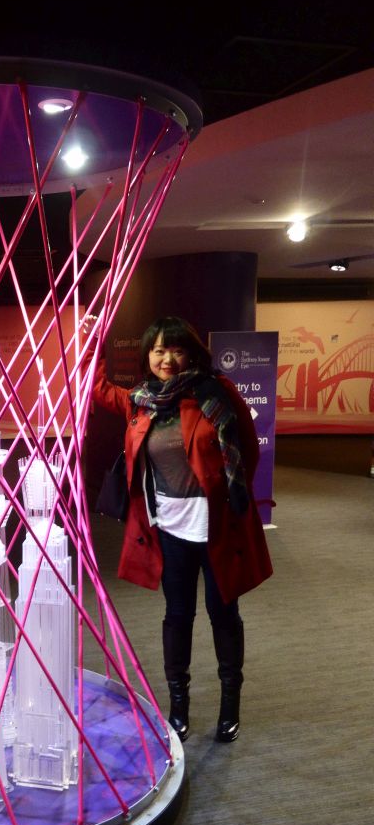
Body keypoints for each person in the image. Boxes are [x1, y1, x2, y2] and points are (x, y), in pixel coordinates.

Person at [90, 315, 273, 743]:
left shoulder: (215, 392)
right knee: (177, 616)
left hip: (217, 526)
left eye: (175, 349)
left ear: (190, 352)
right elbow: (95, 389)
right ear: (147, 357)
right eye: (158, 350)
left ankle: (230, 704)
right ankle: (179, 706)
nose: (167, 358)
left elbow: (246, 446)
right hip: (168, 527)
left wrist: (233, 492)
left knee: (223, 613)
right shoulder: (139, 401)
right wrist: (92, 339)